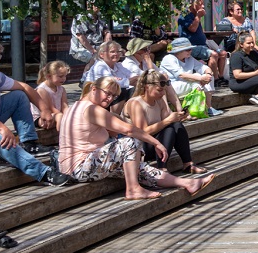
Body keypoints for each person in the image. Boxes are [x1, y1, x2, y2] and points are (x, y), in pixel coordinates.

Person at [59, 76, 213, 199]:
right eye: (107, 93)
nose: (110, 99)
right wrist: (156, 142)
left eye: (114, 96)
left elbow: (110, 131)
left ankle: (187, 183)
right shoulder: (91, 109)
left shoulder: (79, 107)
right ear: (94, 90)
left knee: (139, 168)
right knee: (130, 142)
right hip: (78, 166)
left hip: (86, 163)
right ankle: (133, 189)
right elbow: (128, 129)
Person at [0, 39, 69, 184]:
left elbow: (24, 87)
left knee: (19, 95)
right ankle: (44, 173)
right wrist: (2, 128)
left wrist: (44, 110)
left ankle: (29, 143)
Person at [125, 69, 207, 174]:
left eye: (164, 90)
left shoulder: (158, 100)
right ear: (147, 87)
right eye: (159, 90)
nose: (163, 93)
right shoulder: (135, 103)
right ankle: (161, 168)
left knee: (176, 125)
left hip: (155, 144)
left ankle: (188, 163)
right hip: (138, 148)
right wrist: (168, 120)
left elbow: (166, 122)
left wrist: (178, 117)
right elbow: (142, 132)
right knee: (169, 128)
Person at [159, 37, 224, 117]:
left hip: (187, 84)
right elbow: (181, 75)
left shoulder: (189, 58)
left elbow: (203, 67)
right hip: (172, 87)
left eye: (190, 49)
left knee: (207, 77)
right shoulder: (169, 59)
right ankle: (206, 108)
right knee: (197, 77)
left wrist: (208, 75)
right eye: (188, 49)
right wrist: (201, 78)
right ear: (179, 51)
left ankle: (208, 107)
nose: (191, 51)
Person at [179, 0, 228, 86]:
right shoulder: (185, 16)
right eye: (200, 3)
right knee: (213, 54)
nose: (203, 6)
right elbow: (192, 29)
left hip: (203, 46)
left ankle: (221, 77)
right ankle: (215, 80)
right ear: (192, 5)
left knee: (223, 53)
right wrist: (198, 16)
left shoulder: (195, 17)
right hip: (191, 47)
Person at [80, 41, 136, 111]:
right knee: (123, 90)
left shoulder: (118, 65)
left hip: (108, 98)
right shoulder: (100, 66)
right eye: (112, 52)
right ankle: (114, 115)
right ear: (101, 54)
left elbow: (134, 76)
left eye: (118, 51)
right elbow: (113, 85)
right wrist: (129, 81)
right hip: (96, 101)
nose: (116, 54)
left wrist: (136, 79)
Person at [69, 1, 111, 67]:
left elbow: (105, 29)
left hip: (98, 48)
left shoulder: (100, 16)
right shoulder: (82, 17)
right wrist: (93, 50)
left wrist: (108, 33)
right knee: (96, 60)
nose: (98, 6)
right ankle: (87, 76)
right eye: (96, 4)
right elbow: (80, 36)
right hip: (81, 49)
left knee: (113, 56)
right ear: (89, 6)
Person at [32, 60, 70, 131]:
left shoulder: (61, 89)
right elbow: (50, 109)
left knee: (71, 116)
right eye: (60, 76)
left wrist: (68, 114)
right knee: (60, 117)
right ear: (49, 76)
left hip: (55, 115)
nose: (64, 79)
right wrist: (63, 117)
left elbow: (64, 106)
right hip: (41, 118)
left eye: (65, 76)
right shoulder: (42, 90)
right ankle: (62, 137)